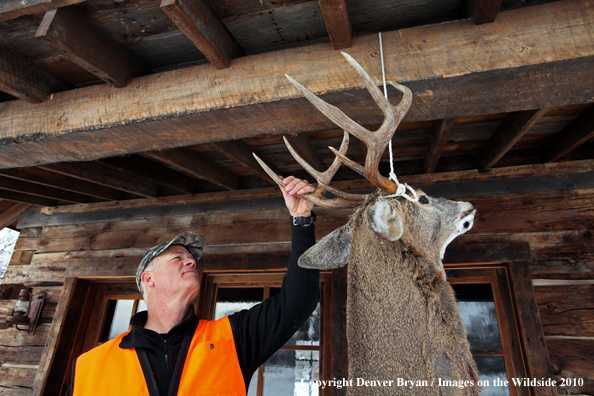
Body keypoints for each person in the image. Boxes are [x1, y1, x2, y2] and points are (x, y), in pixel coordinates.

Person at [67, 176, 319, 396]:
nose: (191, 261)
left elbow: (297, 302)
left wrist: (302, 220)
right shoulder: (88, 366)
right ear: (149, 279)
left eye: (191, 258)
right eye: (177, 257)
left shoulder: (232, 338)